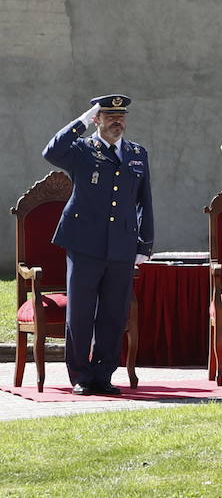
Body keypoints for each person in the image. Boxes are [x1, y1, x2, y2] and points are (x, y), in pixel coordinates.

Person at [42, 94, 154, 396]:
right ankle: (80, 374)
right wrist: (81, 121)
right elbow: (51, 151)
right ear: (97, 119)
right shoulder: (80, 150)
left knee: (113, 312)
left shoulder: (136, 153)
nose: (117, 121)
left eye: (121, 116)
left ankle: (103, 374)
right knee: (80, 312)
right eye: (109, 116)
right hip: (84, 243)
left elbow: (144, 201)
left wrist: (145, 244)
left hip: (122, 243)